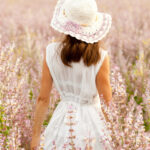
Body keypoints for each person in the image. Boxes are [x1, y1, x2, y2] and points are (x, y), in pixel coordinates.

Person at [31, 0, 113, 149]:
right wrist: (115, 135)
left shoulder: (51, 52)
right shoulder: (100, 56)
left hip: (62, 119)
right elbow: (108, 104)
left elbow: (43, 99)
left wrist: (36, 135)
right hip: (92, 123)